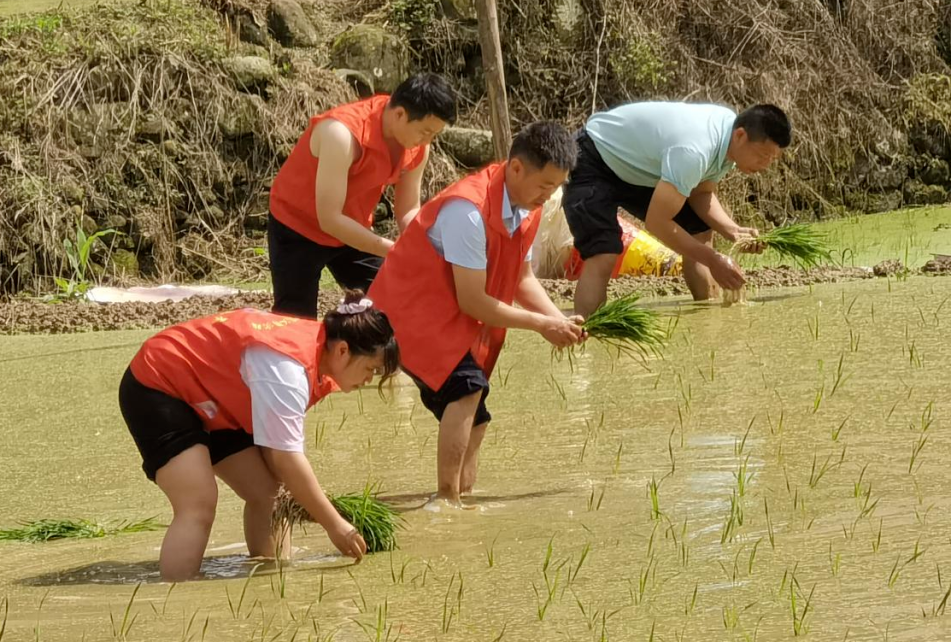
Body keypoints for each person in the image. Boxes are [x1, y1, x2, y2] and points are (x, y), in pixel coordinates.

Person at [369, 122, 585, 505]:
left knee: (477, 418)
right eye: (544, 185)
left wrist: (560, 318)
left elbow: (521, 276)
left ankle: (460, 497)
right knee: (467, 391)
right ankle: (446, 499)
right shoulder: (467, 211)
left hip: (448, 322)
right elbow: (473, 301)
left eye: (556, 187)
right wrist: (541, 325)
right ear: (516, 168)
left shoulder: (527, 209)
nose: (548, 196)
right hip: (409, 318)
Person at [119, 291, 399, 581]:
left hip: (216, 397)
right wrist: (336, 525)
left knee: (270, 495)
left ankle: (271, 580)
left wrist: (312, 505)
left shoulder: (318, 357)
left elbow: (274, 452)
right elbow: (286, 457)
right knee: (198, 502)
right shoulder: (286, 370)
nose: (369, 379)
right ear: (343, 350)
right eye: (371, 369)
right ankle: (174, 601)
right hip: (159, 383)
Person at [562, 102, 792, 315]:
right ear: (741, 135)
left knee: (699, 230)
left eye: (771, 160)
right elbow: (657, 223)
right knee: (603, 252)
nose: (764, 166)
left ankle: (709, 320)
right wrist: (713, 260)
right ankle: (587, 336)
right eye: (762, 156)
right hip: (592, 158)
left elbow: (701, 193)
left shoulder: (728, 138)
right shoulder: (695, 150)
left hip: (637, 169)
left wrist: (732, 230)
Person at [267, 73, 458, 319]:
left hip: (353, 231)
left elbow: (408, 210)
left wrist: (423, 247)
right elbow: (330, 219)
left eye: (434, 134)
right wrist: (393, 249)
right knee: (295, 324)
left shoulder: (418, 146)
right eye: (425, 132)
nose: (428, 140)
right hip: (297, 228)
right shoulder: (341, 134)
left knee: (396, 299)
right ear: (399, 114)